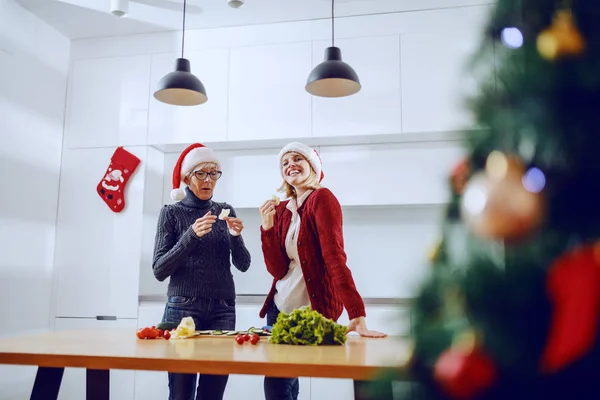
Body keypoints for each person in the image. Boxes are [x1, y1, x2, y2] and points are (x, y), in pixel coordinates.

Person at [258, 142, 388, 400]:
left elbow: (334, 258)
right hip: (279, 311)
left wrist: (357, 313)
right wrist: (267, 228)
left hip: (312, 313)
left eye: (297, 159)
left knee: (287, 381)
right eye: (285, 163)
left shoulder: (322, 198)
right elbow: (278, 268)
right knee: (278, 383)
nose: (290, 165)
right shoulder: (284, 210)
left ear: (312, 167)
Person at [152, 143, 251, 400]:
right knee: (181, 392)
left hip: (223, 310)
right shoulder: (171, 213)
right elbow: (159, 269)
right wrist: (191, 236)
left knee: (213, 393)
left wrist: (234, 236)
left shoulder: (225, 211)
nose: (208, 180)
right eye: (201, 174)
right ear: (187, 177)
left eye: (213, 173)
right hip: (183, 308)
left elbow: (243, 264)